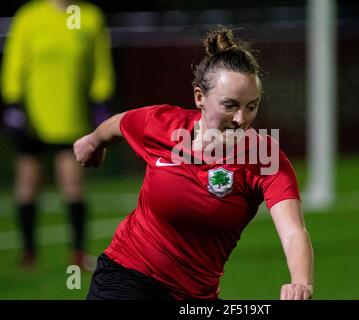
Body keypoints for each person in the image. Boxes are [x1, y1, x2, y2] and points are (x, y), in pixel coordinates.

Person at [74, 26, 314, 300]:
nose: (241, 119)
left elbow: (294, 231)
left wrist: (301, 282)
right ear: (200, 97)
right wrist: (93, 142)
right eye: (230, 105)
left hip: (195, 297)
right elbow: (120, 123)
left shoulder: (265, 158)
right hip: (126, 274)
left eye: (251, 106)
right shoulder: (162, 125)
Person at [1, 0, 115, 269]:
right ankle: (29, 254)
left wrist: (100, 100)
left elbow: (100, 65)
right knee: (27, 186)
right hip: (33, 117)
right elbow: (14, 61)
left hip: (70, 115)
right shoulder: (29, 15)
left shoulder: (90, 17)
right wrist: (13, 102)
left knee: (73, 186)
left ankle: (77, 253)